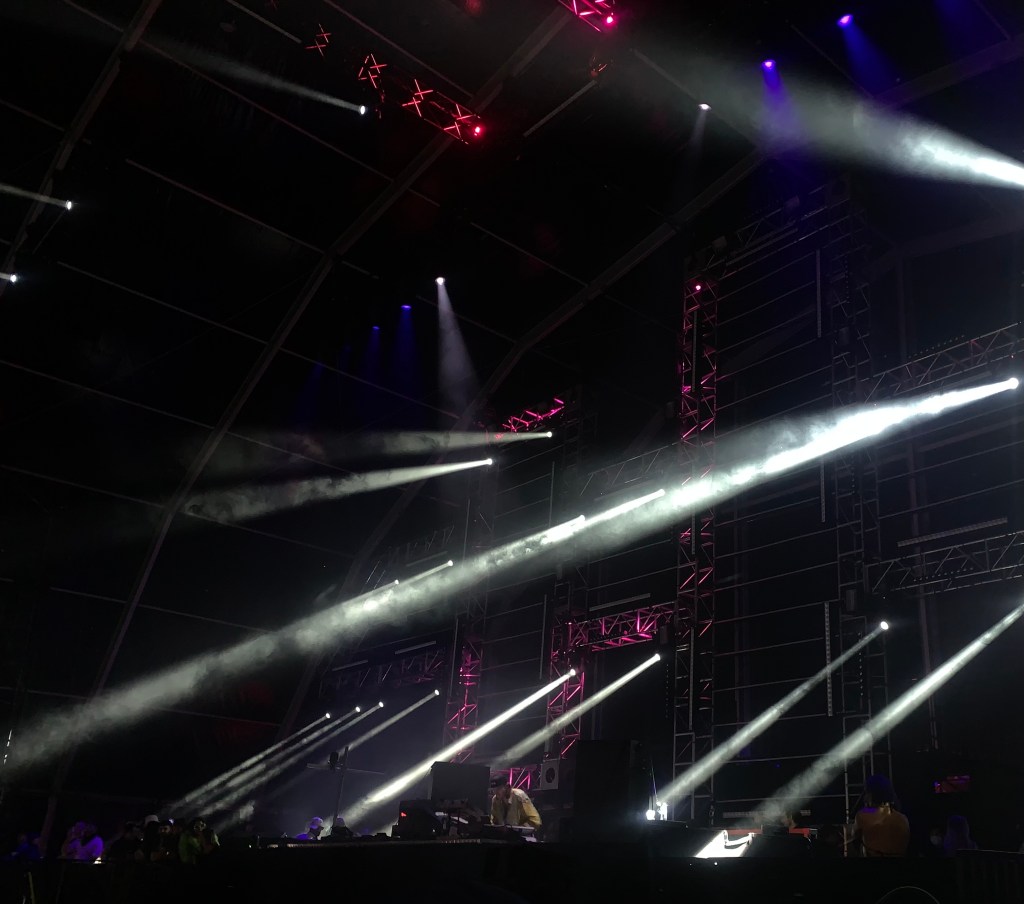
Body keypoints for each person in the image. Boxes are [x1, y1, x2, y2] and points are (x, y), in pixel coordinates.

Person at [851, 775, 909, 857]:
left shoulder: (863, 815)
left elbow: (854, 839)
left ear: (871, 794)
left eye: (866, 793)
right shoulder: (902, 818)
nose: (865, 798)